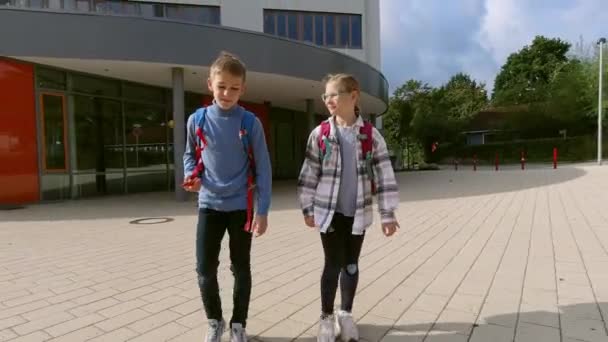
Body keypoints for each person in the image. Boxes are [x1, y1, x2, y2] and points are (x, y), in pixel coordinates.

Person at [297, 73, 400, 342]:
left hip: (358, 213)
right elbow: (309, 174)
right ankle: (326, 319)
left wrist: (387, 214)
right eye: (326, 95)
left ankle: (346, 314)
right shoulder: (320, 134)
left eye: (334, 94)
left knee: (351, 265)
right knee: (332, 264)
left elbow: (384, 175)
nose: (328, 100)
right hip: (328, 213)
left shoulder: (370, 135)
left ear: (353, 96)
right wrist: (307, 209)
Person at [183, 51, 272, 342]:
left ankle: (238, 325)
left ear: (243, 89)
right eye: (221, 86)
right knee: (204, 269)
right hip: (208, 204)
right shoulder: (197, 120)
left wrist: (263, 211)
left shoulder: (249, 123)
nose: (227, 93)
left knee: (240, 268)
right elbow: (189, 154)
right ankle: (214, 321)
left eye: (234, 88)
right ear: (210, 84)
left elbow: (263, 169)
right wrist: (191, 176)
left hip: (240, 209)